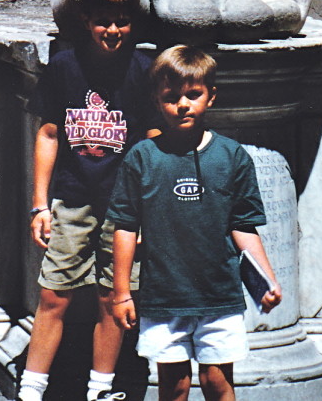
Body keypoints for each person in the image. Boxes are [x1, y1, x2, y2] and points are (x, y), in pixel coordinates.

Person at [106, 45, 282, 401]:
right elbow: (124, 226)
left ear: (211, 97)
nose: (182, 104)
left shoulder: (232, 156)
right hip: (163, 295)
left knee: (217, 381)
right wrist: (122, 292)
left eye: (193, 94)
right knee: (174, 385)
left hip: (218, 295)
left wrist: (267, 277)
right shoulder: (142, 157)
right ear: (156, 100)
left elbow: (244, 225)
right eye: (171, 97)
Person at [19, 0, 158, 401]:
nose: (112, 31)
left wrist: (149, 205)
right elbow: (48, 135)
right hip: (73, 198)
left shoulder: (143, 69)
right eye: (103, 21)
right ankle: (31, 390)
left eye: (122, 22)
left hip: (124, 207)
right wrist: (39, 205)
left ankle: (101, 389)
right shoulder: (64, 67)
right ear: (85, 19)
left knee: (112, 297)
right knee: (54, 295)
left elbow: (154, 138)